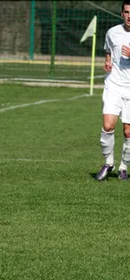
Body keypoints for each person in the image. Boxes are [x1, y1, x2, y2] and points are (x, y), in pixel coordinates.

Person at [96, 0, 130, 181]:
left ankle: (124, 167)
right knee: (108, 125)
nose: (129, 16)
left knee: (128, 132)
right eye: (126, 12)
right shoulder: (113, 32)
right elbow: (109, 50)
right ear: (122, 13)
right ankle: (108, 163)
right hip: (114, 85)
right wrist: (108, 61)